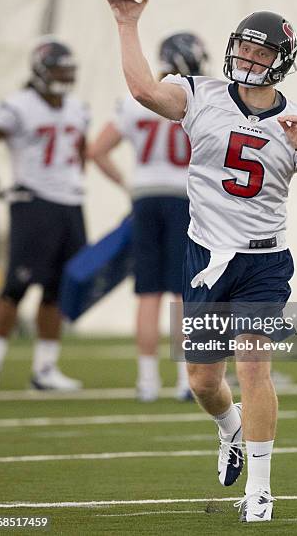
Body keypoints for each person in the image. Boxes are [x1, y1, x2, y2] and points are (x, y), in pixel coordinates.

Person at [106, 0, 297, 522]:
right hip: (205, 256)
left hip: (264, 263)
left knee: (255, 368)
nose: (249, 60)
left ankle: (259, 491)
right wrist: (128, 21)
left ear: (281, 60)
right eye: (245, 49)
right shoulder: (199, 94)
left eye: (261, 54)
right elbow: (144, 90)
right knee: (203, 383)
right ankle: (230, 429)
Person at [88, 32, 209, 401]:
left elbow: (97, 150)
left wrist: (129, 185)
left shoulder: (134, 100)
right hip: (182, 201)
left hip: (144, 201)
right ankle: (182, 379)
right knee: (182, 292)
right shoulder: (197, 98)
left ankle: (146, 382)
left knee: (148, 293)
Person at [0, 36, 89, 391]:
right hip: (33, 202)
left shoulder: (77, 108)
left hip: (70, 205)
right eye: (58, 69)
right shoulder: (18, 105)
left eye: (67, 70)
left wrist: (75, 181)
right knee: (16, 285)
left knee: (58, 288)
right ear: (41, 70)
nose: (64, 76)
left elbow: (80, 148)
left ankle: (44, 369)